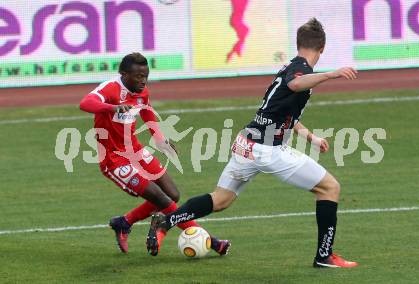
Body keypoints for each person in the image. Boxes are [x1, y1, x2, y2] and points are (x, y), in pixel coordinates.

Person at [146, 19, 359, 268]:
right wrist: (332, 74)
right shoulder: (299, 71)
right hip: (268, 150)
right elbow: (295, 84)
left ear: (299, 43)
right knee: (329, 188)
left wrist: (311, 137)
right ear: (322, 49)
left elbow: (280, 111)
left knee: (221, 199)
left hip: (246, 144)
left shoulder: (290, 66)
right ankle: (324, 256)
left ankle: (165, 221)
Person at [79, 52, 230, 255]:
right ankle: (210, 241)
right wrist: (112, 108)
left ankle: (124, 222)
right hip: (114, 159)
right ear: (123, 74)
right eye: (138, 77)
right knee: (162, 199)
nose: (143, 81)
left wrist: (159, 139)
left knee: (173, 194)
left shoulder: (141, 91)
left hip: (135, 150)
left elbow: (147, 111)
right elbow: (85, 103)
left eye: (145, 76)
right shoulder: (111, 88)